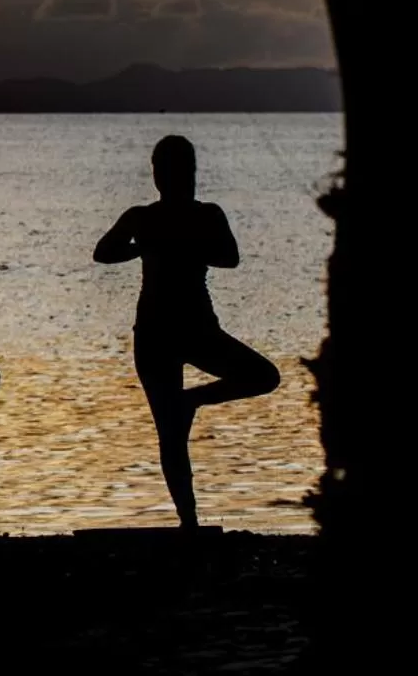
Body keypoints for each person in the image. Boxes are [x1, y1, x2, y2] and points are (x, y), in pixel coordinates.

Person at [94, 134, 280, 529]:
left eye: (186, 171)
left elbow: (230, 258)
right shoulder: (140, 217)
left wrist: (182, 246)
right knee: (170, 434)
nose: (183, 178)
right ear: (159, 175)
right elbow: (103, 252)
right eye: (176, 171)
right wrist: (143, 249)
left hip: (198, 329)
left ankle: (192, 399)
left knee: (263, 376)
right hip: (155, 334)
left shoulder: (207, 214)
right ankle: (189, 522)